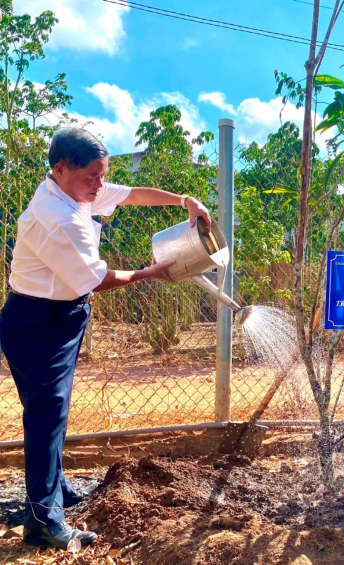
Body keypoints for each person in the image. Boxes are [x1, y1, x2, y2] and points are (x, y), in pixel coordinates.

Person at [0, 128, 211, 550]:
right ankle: (42, 520)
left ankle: (53, 492)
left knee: (51, 411)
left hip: (59, 316)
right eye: (93, 177)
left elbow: (131, 193)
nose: (100, 185)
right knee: (47, 413)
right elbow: (95, 279)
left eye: (103, 175)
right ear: (61, 169)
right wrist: (148, 274)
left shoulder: (75, 188)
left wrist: (184, 200)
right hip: (39, 322)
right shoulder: (55, 217)